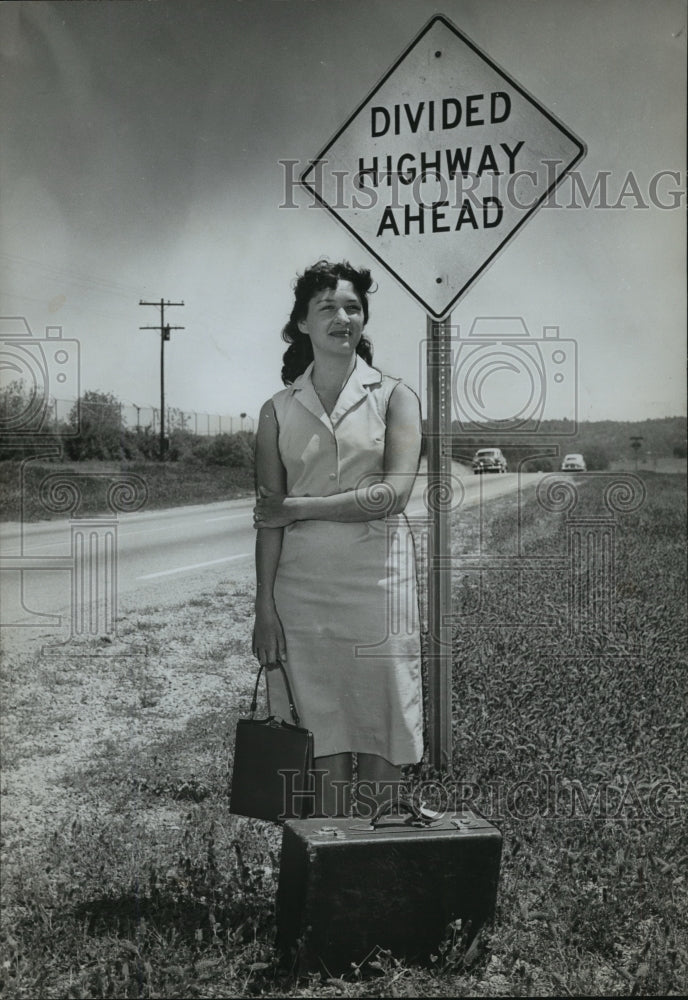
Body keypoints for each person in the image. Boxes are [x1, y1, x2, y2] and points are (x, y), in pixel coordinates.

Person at [251, 259, 423, 818]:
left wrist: (297, 506)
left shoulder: (395, 396)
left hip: (379, 584)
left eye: (352, 307)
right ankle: (331, 872)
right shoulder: (277, 411)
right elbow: (267, 521)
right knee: (321, 730)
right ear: (301, 323)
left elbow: (392, 495)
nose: (342, 317)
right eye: (326, 307)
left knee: (385, 720)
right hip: (301, 594)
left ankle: (380, 863)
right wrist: (264, 609)